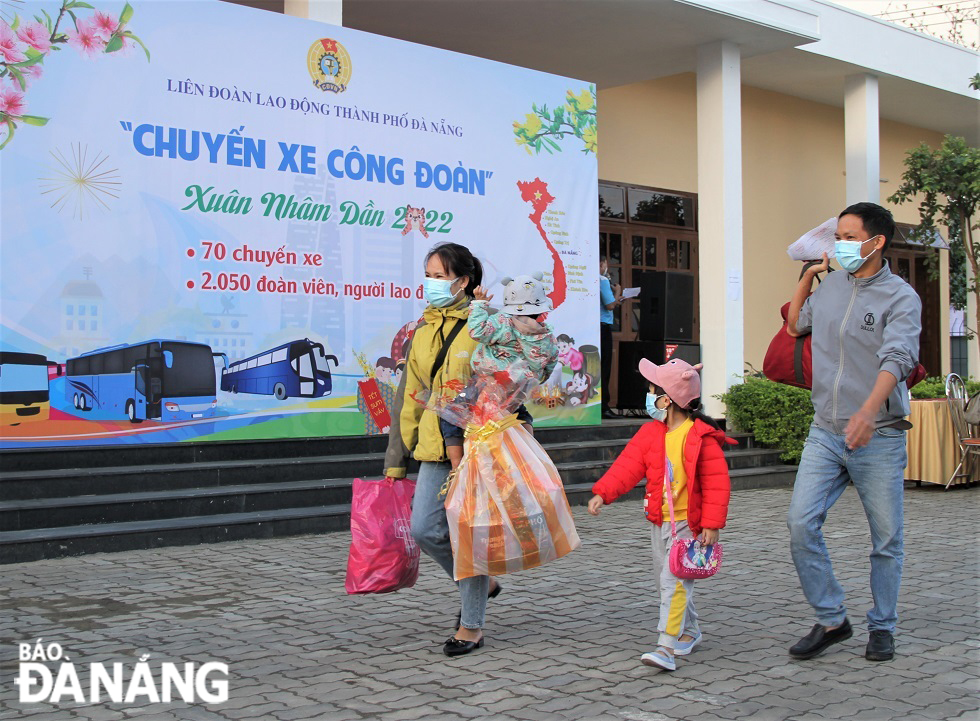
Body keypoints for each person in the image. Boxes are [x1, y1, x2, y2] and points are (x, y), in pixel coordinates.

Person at [785, 202, 921, 662]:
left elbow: (898, 358)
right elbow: (794, 325)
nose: (838, 244)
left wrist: (867, 411)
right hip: (825, 432)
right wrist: (809, 278)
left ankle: (882, 626)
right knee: (801, 523)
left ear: (875, 242)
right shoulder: (832, 287)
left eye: (847, 236)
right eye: (837, 237)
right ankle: (832, 619)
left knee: (886, 540)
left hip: (877, 435)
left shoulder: (901, 297)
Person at [383, 242, 501, 657]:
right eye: (428, 275)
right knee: (425, 529)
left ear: (464, 281)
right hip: (433, 446)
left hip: (477, 445)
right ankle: (481, 585)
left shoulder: (485, 324)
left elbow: (503, 383)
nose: (432, 283)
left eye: (440, 276)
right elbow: (409, 394)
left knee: (467, 537)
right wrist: (397, 460)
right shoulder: (422, 329)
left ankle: (472, 625)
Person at [587, 357, 731, 671]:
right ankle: (690, 631)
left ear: (666, 399)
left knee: (674, 582)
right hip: (660, 523)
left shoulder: (701, 437)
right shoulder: (652, 433)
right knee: (669, 581)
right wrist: (603, 493)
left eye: (652, 390)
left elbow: (717, 483)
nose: (648, 395)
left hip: (688, 526)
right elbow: (627, 466)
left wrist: (711, 525)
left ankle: (666, 646)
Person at [439, 273, 559, 477]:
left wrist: (478, 305)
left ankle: (457, 466)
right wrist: (526, 386)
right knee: (521, 416)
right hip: (514, 392)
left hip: (486, 384)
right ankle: (530, 454)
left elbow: (477, 331)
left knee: (451, 415)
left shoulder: (502, 322)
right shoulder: (544, 336)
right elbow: (548, 365)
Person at [599, 256, 625, 419]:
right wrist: (618, 292)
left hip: (596, 326)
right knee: (604, 368)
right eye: (605, 264)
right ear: (601, 264)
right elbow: (609, 305)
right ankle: (604, 407)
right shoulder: (601, 280)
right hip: (603, 326)